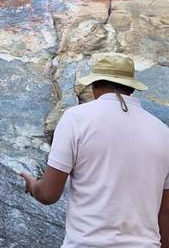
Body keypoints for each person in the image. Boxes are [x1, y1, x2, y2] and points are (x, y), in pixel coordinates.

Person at [20, 52, 169, 247]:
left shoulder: (76, 119)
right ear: (132, 89)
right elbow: (165, 212)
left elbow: (48, 194)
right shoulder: (162, 132)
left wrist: (33, 185)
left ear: (94, 85)